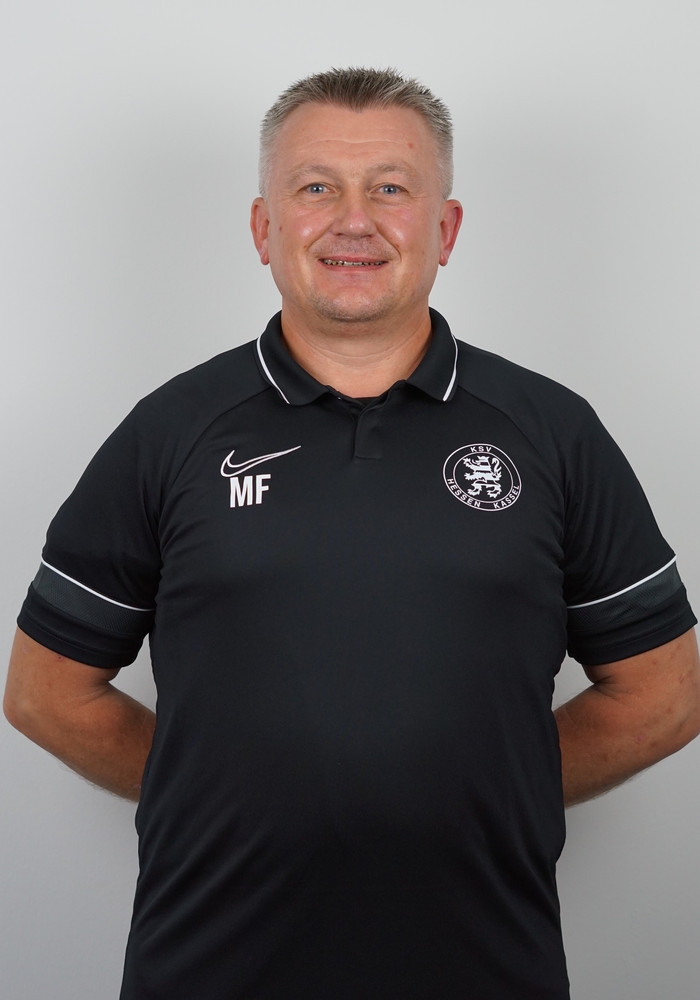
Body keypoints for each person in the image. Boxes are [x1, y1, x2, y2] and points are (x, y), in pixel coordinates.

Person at [4, 66, 700, 1000]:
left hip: (485, 970)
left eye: (391, 188)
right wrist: (213, 793)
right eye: (316, 187)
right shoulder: (170, 432)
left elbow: (665, 695)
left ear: (445, 229)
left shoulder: (552, 432)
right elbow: (46, 693)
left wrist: (494, 789)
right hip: (208, 971)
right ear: (264, 228)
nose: (354, 221)